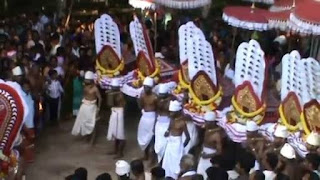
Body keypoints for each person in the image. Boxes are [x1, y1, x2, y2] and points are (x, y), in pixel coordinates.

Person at [162, 100, 190, 179]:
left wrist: (181, 146)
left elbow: (188, 137)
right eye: (170, 112)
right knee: (168, 162)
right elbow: (169, 128)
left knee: (176, 164)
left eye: (172, 112)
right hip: (170, 142)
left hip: (177, 144)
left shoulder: (182, 122)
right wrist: (167, 132)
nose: (170, 114)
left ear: (177, 112)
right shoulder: (171, 119)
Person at [71, 71, 101, 140]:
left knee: (93, 124)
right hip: (84, 106)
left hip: (92, 107)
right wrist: (81, 106)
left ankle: (92, 141)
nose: (86, 81)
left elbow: (100, 98)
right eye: (86, 80)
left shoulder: (95, 88)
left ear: (91, 81)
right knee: (84, 122)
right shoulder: (85, 87)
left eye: (88, 80)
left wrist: (98, 109)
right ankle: (87, 137)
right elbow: (83, 97)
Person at [137, 77, 157, 160]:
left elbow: (157, 111)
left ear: (151, 88)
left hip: (152, 118)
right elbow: (141, 106)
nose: (145, 89)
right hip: (144, 117)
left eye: (147, 87)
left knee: (151, 138)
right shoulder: (142, 95)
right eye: (144, 87)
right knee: (143, 136)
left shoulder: (155, 97)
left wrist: (155, 122)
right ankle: (145, 155)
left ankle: (151, 158)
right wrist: (138, 101)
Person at [107, 78, 126, 159]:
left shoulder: (120, 95)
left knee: (120, 134)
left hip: (119, 113)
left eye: (113, 87)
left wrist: (111, 95)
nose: (112, 89)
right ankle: (115, 150)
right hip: (114, 112)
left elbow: (112, 103)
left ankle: (120, 153)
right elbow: (109, 105)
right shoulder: (113, 93)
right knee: (115, 132)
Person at [197, 111, 218, 179]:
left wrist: (207, 156)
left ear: (212, 122)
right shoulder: (206, 129)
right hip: (203, 155)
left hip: (210, 159)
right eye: (205, 121)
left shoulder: (217, 135)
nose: (205, 123)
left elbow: (219, 151)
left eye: (207, 122)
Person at [155, 83, 171, 163]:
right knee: (158, 143)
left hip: (166, 123)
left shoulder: (170, 102)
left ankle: (164, 161)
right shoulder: (158, 100)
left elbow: (172, 117)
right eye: (160, 95)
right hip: (159, 123)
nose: (161, 97)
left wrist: (168, 129)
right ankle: (159, 161)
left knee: (164, 144)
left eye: (163, 95)